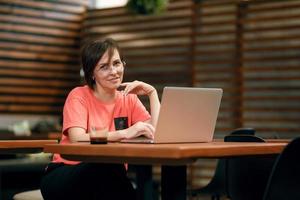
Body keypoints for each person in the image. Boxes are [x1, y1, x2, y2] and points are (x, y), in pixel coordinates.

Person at [40, 38, 160, 200]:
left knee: (118, 175)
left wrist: (152, 93)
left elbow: (157, 132)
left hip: (108, 177)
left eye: (117, 63)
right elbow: (77, 138)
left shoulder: (128, 99)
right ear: (91, 73)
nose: (114, 71)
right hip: (66, 173)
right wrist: (125, 133)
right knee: (109, 168)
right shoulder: (79, 95)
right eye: (104, 67)